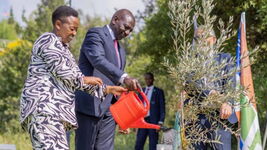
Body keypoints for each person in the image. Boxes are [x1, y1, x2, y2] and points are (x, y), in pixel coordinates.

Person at [19, 6, 127, 149]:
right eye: (72, 28)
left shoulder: (65, 50)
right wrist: (84, 79)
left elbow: (78, 81)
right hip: (45, 110)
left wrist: (108, 89)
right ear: (58, 25)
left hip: (56, 114)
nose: (74, 33)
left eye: (76, 29)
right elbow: (64, 72)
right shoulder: (47, 40)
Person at [75, 9, 139, 150]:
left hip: (109, 112)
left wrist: (123, 117)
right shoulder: (96, 34)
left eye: (131, 30)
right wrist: (125, 77)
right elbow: (98, 60)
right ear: (115, 20)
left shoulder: (121, 50)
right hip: (89, 106)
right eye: (126, 27)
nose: (127, 33)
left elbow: (115, 83)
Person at [184, 25, 237, 149]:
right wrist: (210, 93)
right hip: (195, 119)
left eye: (203, 37)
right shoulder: (190, 62)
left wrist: (228, 102)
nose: (199, 41)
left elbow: (231, 83)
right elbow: (191, 83)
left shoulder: (226, 59)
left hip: (219, 119)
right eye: (197, 39)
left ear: (213, 39)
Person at [135, 72, 166, 150]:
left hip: (153, 122)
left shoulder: (158, 92)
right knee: (138, 144)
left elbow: (162, 107)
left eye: (149, 79)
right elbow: (138, 107)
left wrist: (160, 122)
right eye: (146, 79)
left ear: (153, 79)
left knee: (153, 145)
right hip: (142, 121)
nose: (148, 80)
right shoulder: (142, 91)